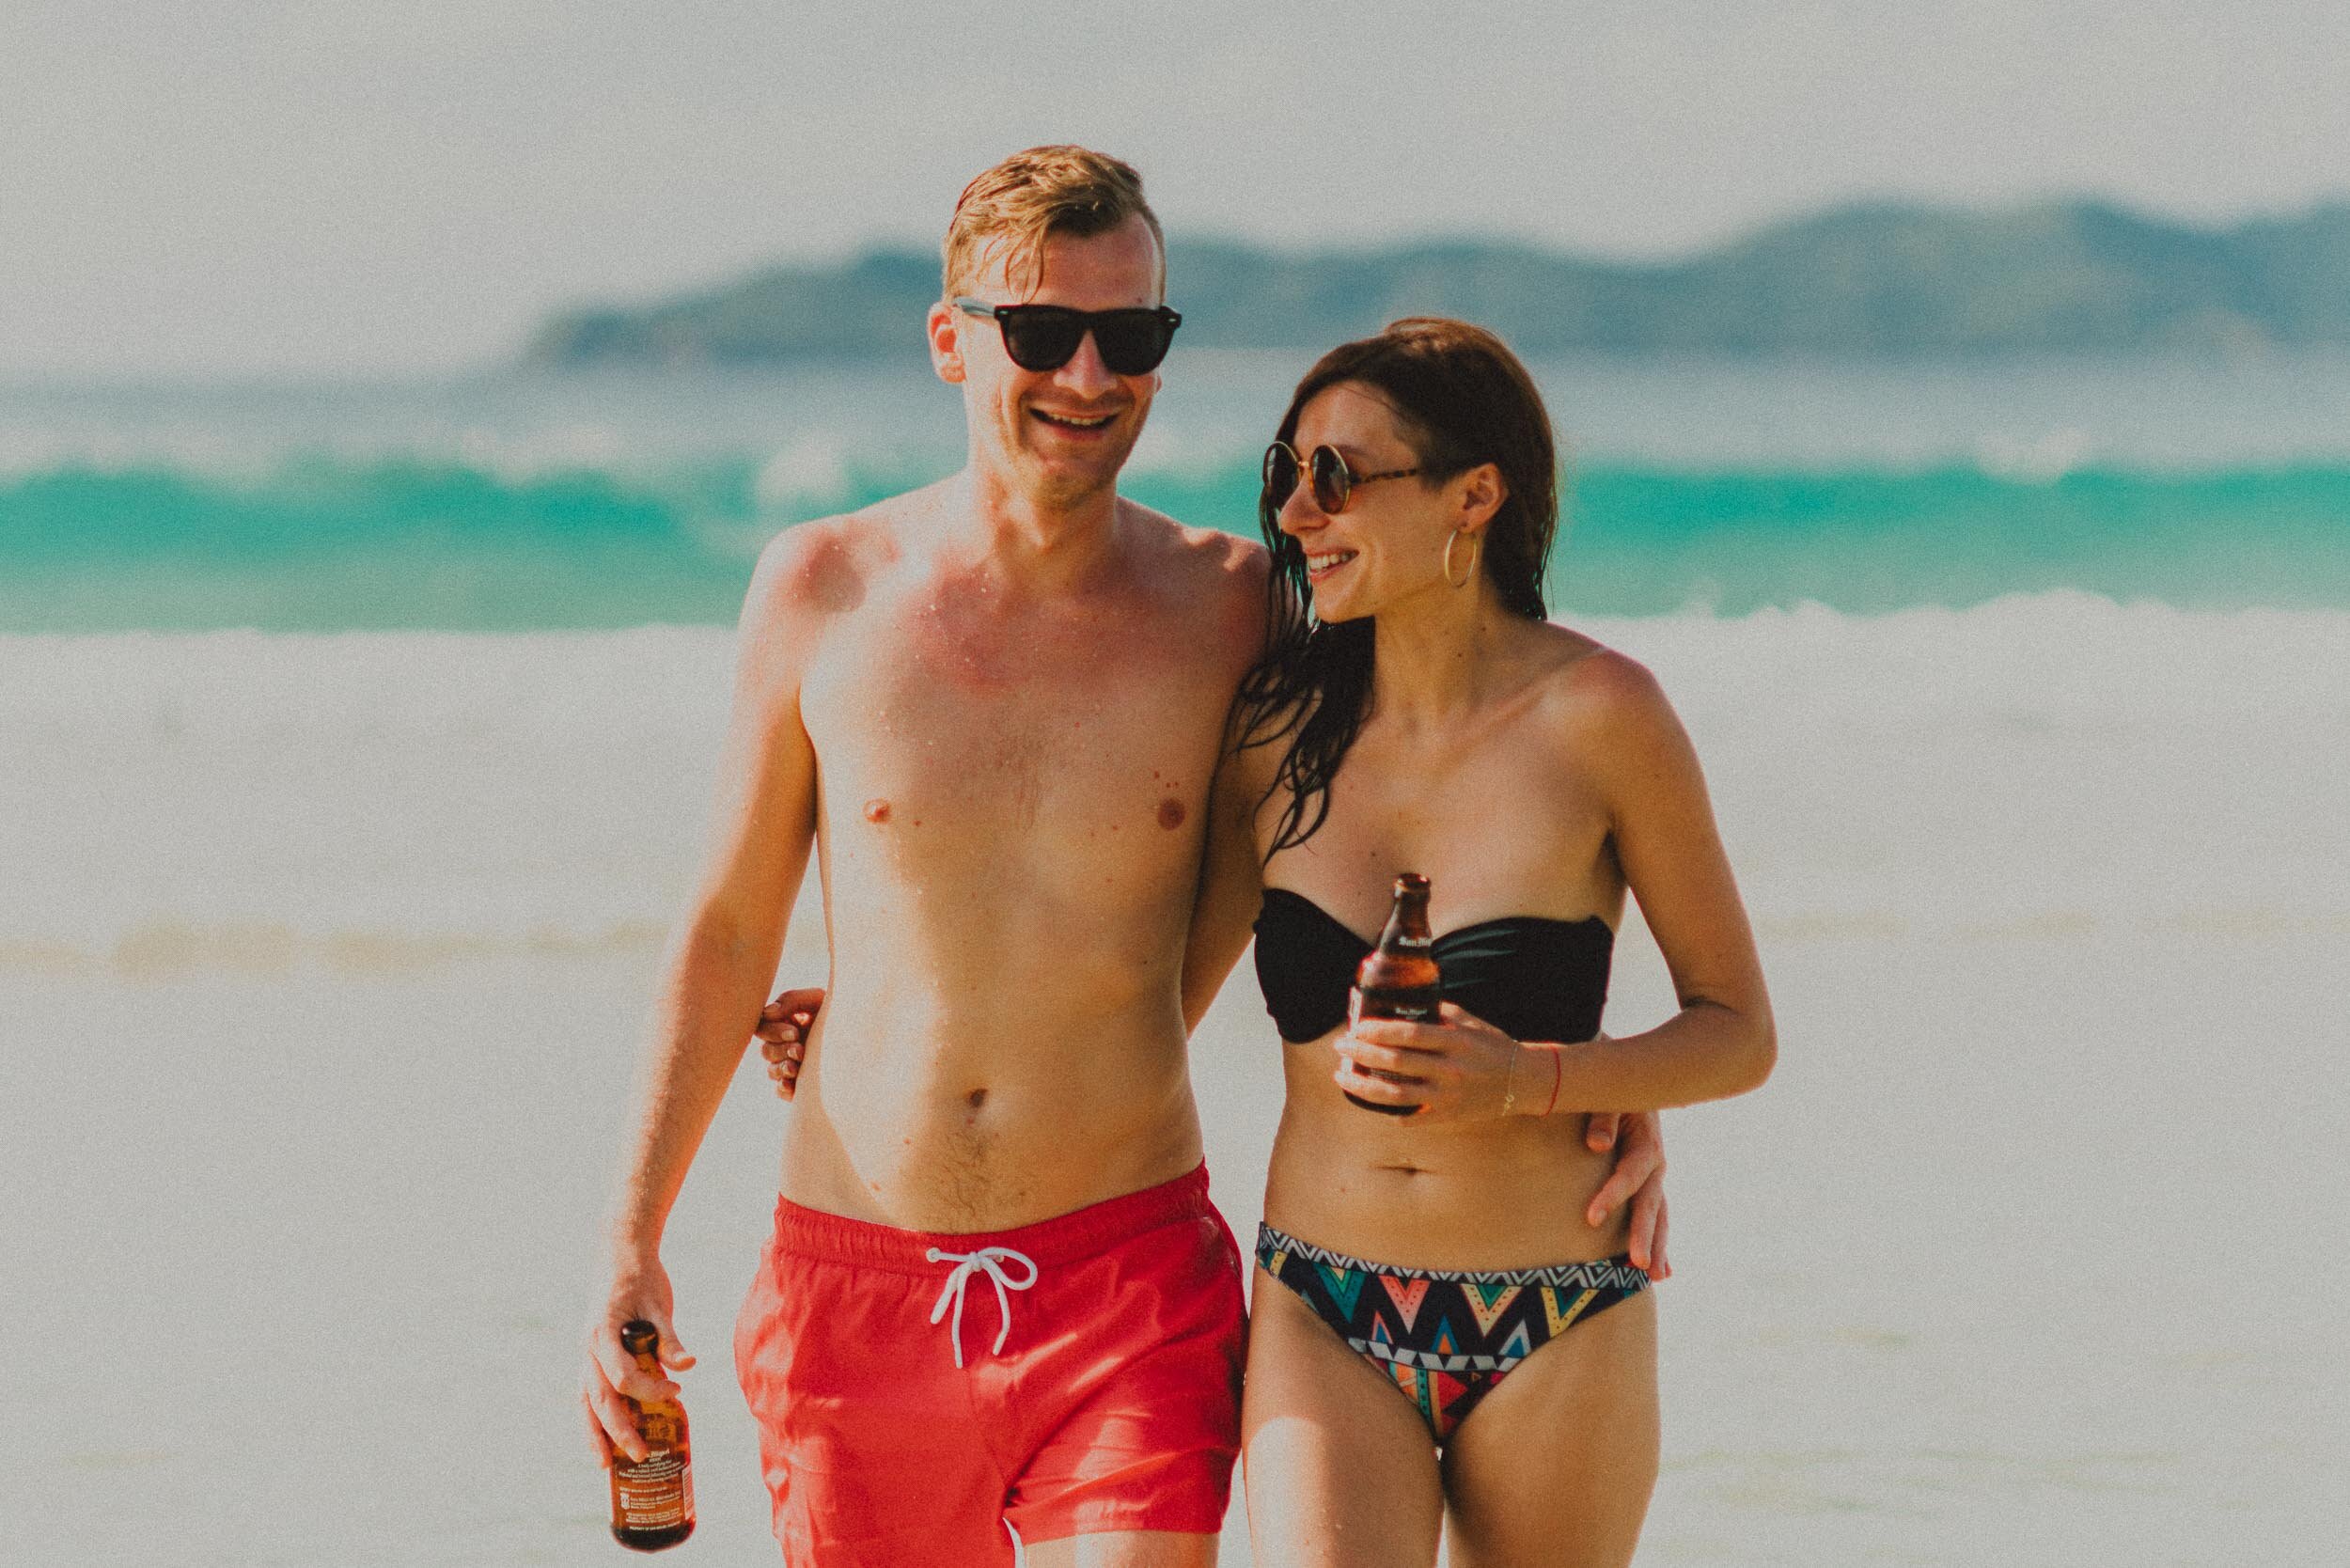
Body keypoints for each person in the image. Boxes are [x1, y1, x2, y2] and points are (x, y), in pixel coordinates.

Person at [585, 146, 1667, 1568]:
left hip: (1128, 1281)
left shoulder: (1237, 611)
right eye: (1042, 333)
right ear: (950, 341)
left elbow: (1448, 790)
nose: (1090, 378)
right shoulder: (821, 590)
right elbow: (728, 922)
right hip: (855, 1281)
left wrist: (1592, 1087)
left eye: (1132, 336)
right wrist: (631, 1234)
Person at [1200, 319, 1775, 1567]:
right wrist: (879, 1018)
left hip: (1557, 1312)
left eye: (1340, 475)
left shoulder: (1602, 717)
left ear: (1474, 496)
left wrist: (1537, 1079)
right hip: (1321, 1302)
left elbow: (1737, 1031)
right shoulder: (1272, 731)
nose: (1299, 512)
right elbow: (1135, 991)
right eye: (1284, 475)